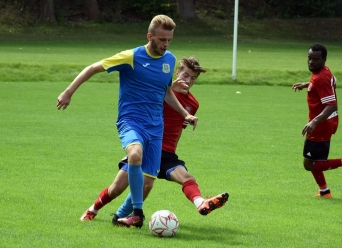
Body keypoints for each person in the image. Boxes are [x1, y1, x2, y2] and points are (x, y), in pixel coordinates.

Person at [57, 15, 198, 228]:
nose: (166, 44)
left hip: (155, 127)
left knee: (146, 184)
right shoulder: (131, 57)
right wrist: (68, 92)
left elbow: (167, 92)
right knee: (134, 154)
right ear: (149, 36)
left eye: (169, 40)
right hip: (131, 121)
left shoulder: (169, 60)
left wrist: (184, 114)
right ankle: (138, 215)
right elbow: (93, 67)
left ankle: (120, 216)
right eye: (161, 39)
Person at [78, 56, 229, 227]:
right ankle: (94, 210)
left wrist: (172, 151)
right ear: (177, 72)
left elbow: (178, 130)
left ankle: (201, 202)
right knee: (117, 188)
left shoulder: (193, 104)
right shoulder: (160, 91)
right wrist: (170, 88)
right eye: (185, 75)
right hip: (146, 145)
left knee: (186, 177)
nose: (188, 80)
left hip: (166, 153)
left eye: (193, 78)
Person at [291, 43, 342, 198]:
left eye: (316, 59)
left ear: (324, 59)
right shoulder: (323, 72)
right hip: (325, 122)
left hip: (321, 124)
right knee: (313, 161)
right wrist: (308, 85)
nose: (311, 62)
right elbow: (333, 81)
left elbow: (331, 105)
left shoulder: (321, 78)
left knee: (309, 164)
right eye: (309, 58)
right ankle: (324, 191)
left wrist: (314, 122)